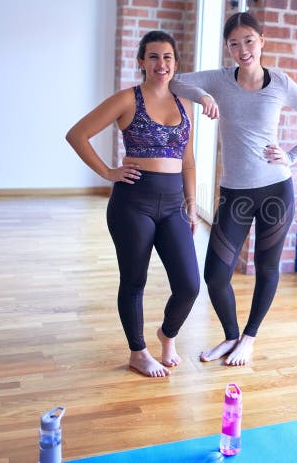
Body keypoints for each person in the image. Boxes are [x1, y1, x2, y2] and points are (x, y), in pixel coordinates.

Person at [170, 12, 297, 366]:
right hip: (235, 194)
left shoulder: (281, 83)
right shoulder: (220, 79)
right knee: (215, 274)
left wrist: (291, 156)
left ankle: (249, 338)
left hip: (276, 189)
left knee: (267, 268)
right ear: (228, 48)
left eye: (249, 41)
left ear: (262, 41)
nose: (243, 49)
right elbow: (175, 81)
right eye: (234, 44)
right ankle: (230, 336)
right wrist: (203, 97)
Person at [66, 30, 218, 377]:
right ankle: (137, 351)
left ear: (175, 63)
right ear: (141, 62)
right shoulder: (127, 99)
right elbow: (77, 134)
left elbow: (189, 161)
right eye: (153, 57)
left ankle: (167, 334)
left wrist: (192, 205)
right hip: (132, 203)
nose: (161, 64)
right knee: (134, 281)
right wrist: (108, 171)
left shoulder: (185, 104)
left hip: (173, 206)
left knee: (189, 284)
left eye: (167, 57)